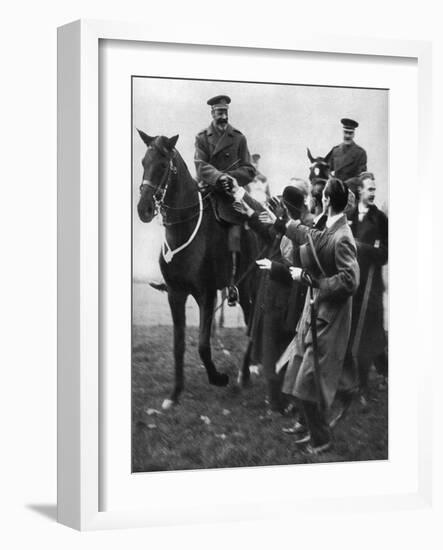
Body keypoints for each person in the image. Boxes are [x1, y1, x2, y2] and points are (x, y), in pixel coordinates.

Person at [276, 177, 360, 454]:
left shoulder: (343, 236)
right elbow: (308, 236)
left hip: (330, 318)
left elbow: (349, 281)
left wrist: (312, 281)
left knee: (307, 381)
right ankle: (311, 429)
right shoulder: (328, 224)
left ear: (325, 199)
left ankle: (321, 438)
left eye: (320, 195)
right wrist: (282, 224)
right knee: (298, 374)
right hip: (314, 313)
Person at [236, 184, 313, 411]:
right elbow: (266, 230)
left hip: (283, 303)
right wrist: (249, 214)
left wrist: (273, 267)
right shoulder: (285, 229)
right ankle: (277, 399)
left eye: (281, 207)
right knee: (272, 352)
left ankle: (279, 401)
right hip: (270, 299)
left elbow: (295, 271)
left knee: (276, 352)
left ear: (286, 210)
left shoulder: (297, 234)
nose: (278, 210)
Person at [194, 95, 257, 305]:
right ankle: (180, 274)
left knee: (235, 236)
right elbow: (200, 165)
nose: (223, 116)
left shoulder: (238, 138)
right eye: (219, 112)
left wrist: (231, 178)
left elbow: (249, 170)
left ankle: (233, 284)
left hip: (230, 198)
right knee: (185, 223)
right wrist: (218, 177)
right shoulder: (202, 137)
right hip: (208, 194)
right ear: (212, 113)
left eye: (225, 112)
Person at [343, 172, 388, 403]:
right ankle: (350, 382)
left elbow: (384, 255)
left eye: (374, 189)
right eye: (369, 189)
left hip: (371, 287)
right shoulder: (348, 216)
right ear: (359, 191)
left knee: (367, 336)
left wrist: (363, 247)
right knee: (350, 334)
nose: (372, 193)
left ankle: (363, 386)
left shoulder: (380, 219)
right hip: (352, 283)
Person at [326, 118, 367, 183]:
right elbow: (327, 169)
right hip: (336, 188)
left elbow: (361, 177)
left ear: (354, 134)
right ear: (342, 133)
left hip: (351, 189)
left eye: (350, 133)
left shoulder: (360, 153)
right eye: (345, 132)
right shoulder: (335, 151)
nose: (347, 136)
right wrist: (332, 180)